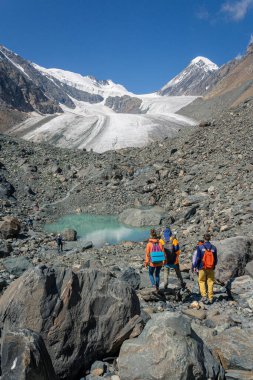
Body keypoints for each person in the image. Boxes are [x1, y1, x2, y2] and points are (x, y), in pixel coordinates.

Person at [193, 233, 218, 305]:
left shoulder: (200, 247)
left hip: (202, 267)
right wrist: (213, 266)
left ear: (204, 239)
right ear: (210, 238)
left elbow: (197, 258)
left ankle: (204, 296)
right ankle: (210, 298)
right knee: (210, 282)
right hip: (211, 268)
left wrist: (195, 266)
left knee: (201, 281)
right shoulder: (214, 247)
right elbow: (216, 260)